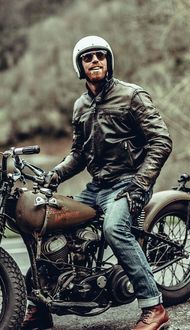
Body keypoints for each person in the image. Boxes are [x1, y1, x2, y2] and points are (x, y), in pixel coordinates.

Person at [22, 35, 172, 330]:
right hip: (97, 186)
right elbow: (79, 154)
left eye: (100, 56)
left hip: (130, 181)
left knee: (114, 228)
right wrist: (54, 175)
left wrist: (141, 183)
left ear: (108, 61)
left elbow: (161, 141)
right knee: (53, 225)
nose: (94, 61)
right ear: (80, 66)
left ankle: (154, 307)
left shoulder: (131, 95)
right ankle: (41, 307)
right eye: (87, 57)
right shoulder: (81, 105)